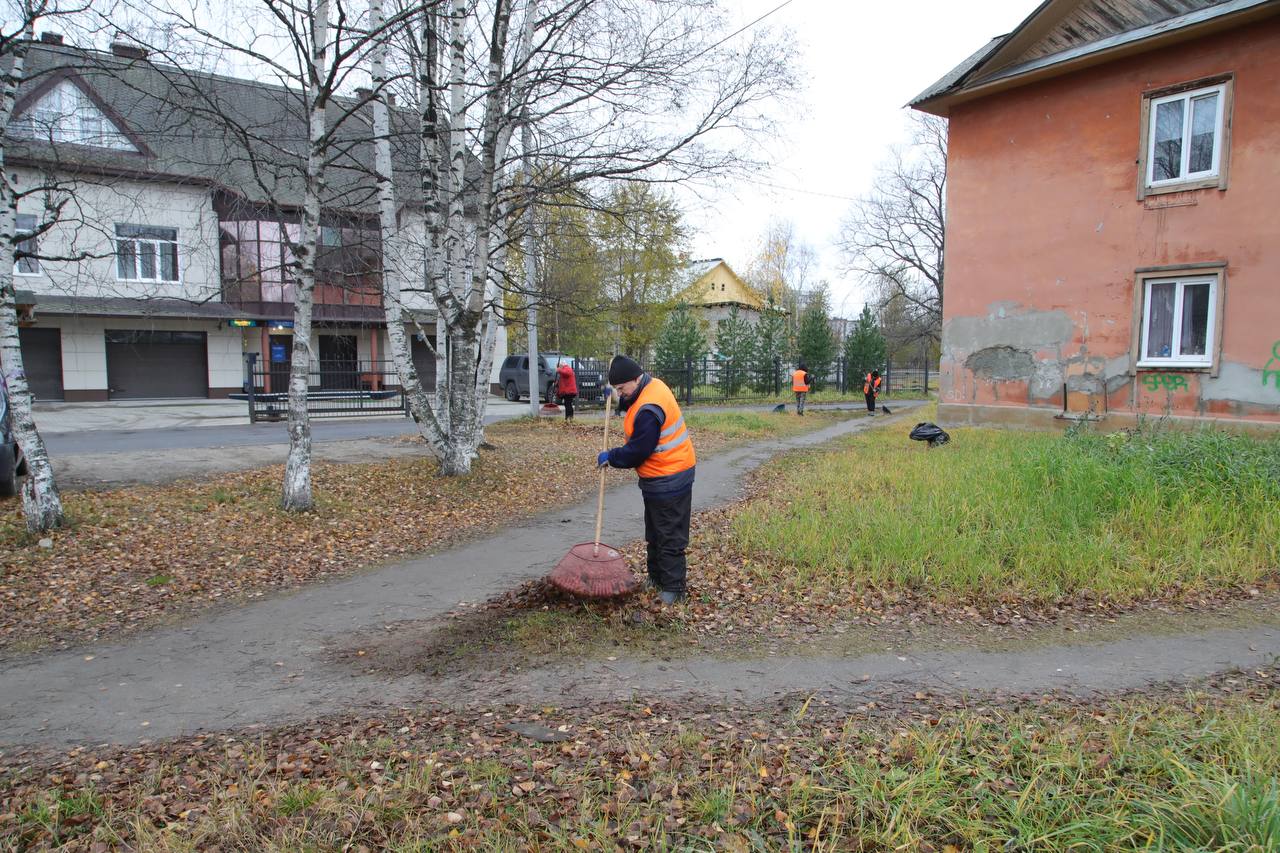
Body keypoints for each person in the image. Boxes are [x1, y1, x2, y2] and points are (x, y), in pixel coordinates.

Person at [596, 354, 695, 604]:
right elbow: (631, 403)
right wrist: (615, 398)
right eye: (616, 389)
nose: (620, 394)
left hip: (670, 477)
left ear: (636, 379)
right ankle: (656, 577)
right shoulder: (650, 385)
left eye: (621, 389)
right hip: (658, 478)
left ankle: (674, 589)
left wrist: (612, 456)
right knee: (654, 531)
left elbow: (638, 451)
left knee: (669, 534)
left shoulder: (649, 410)